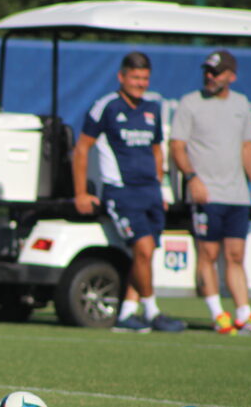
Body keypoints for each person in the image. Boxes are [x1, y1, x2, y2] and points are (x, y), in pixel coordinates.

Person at [72, 51, 185, 333]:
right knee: (144, 249)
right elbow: (82, 149)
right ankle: (152, 312)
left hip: (150, 192)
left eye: (144, 78)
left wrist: (161, 188)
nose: (139, 83)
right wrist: (81, 193)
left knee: (144, 255)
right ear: (121, 77)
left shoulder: (152, 108)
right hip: (122, 192)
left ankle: (126, 314)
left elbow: (157, 150)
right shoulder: (106, 107)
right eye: (134, 77)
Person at [170, 49, 251, 336]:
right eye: (207, 72)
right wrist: (192, 179)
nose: (209, 77)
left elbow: (247, 146)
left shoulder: (240, 104)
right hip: (206, 193)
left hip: (235, 193)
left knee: (236, 255)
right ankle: (217, 314)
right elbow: (177, 146)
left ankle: (244, 314)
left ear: (231, 76)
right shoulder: (190, 103)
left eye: (216, 72)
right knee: (208, 253)